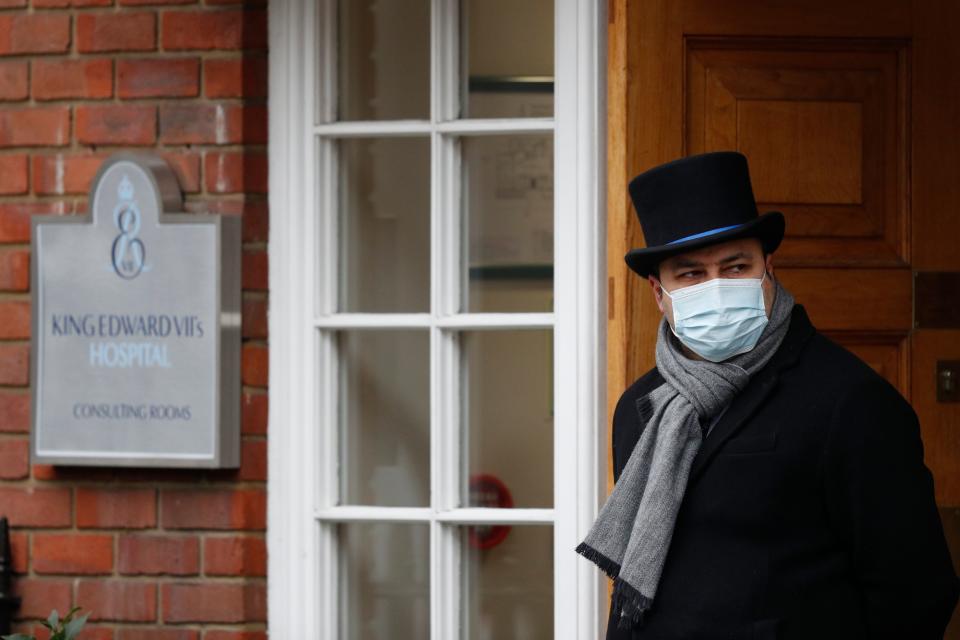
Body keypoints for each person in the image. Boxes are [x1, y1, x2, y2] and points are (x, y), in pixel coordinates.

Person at [576, 151, 959, 639]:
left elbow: (915, 590)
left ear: (767, 268)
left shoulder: (850, 400)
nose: (716, 288)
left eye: (736, 266)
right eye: (691, 274)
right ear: (659, 292)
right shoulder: (641, 407)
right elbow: (633, 581)